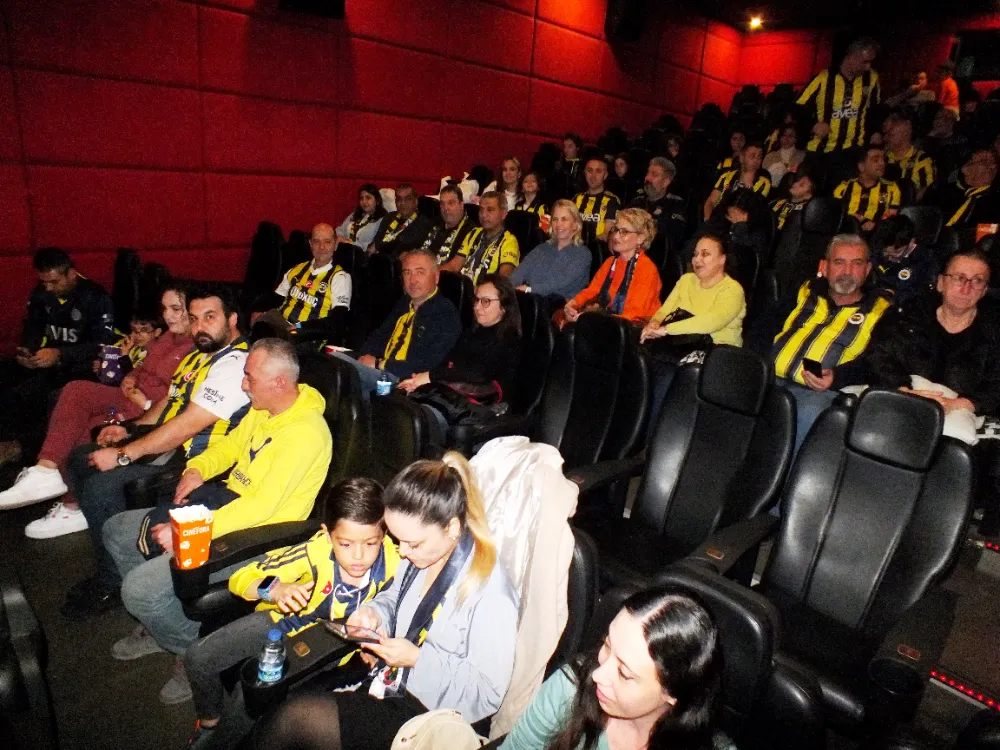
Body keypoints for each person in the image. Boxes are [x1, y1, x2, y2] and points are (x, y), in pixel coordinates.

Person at [103, 337, 333, 704]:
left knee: (138, 591)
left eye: (250, 377)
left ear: (278, 382)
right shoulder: (264, 408)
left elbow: (261, 509)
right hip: (226, 506)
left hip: (259, 537)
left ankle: (192, 652)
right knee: (117, 531)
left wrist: (189, 532)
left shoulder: (306, 434)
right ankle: (163, 624)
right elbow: (229, 446)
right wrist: (198, 468)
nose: (243, 383)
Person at [267, 452, 518, 750]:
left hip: (434, 711)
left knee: (295, 720)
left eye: (412, 543)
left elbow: (487, 693)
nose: (402, 552)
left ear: (451, 528)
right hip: (395, 680)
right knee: (291, 713)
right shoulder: (422, 554)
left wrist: (417, 659)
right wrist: (373, 613)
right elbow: (393, 597)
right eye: (398, 541)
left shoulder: (490, 591)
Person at [59, 285, 251, 620]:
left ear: (232, 319)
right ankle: (110, 561)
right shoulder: (198, 355)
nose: (200, 327)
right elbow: (167, 405)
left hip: (199, 465)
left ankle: (112, 582)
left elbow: (187, 424)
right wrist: (130, 429)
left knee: (102, 486)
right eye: (194, 319)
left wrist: (125, 454)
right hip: (172, 448)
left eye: (210, 317)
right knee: (81, 458)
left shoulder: (236, 365)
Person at [182, 477, 401, 747]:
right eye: (345, 544)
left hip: (326, 644)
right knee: (198, 657)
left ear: (384, 535)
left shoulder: (396, 563)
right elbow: (242, 578)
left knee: (248, 694)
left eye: (370, 543)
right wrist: (274, 589)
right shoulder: (314, 551)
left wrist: (377, 644)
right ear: (327, 534)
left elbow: (408, 614)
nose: (358, 556)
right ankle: (209, 723)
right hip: (283, 622)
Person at [1, 285, 193, 538]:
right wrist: (131, 377)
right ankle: (45, 470)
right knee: (75, 389)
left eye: (176, 309)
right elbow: (144, 365)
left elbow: (177, 398)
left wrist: (145, 405)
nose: (168, 315)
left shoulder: (197, 346)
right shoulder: (169, 336)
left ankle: (74, 506)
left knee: (88, 430)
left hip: (145, 409)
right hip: (128, 395)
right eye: (165, 308)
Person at [865, 248, 1000, 539]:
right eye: (959, 278)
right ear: (940, 282)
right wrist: (907, 391)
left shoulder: (994, 332)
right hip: (907, 397)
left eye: (977, 281)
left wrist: (961, 403)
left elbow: (996, 386)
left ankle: (927, 535)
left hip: (963, 413)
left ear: (985, 290)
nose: (966, 287)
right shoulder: (909, 314)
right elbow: (878, 355)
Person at [502, 587, 721, 750]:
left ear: (672, 693)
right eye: (607, 645)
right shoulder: (567, 690)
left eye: (624, 674)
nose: (598, 674)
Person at [748, 235, 892, 451]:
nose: (847, 271)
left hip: (817, 392)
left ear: (867, 269)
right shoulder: (806, 290)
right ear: (824, 267)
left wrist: (837, 377)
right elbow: (763, 327)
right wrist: (758, 365)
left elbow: (877, 362)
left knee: (807, 415)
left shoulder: (881, 310)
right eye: (839, 262)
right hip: (768, 376)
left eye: (857, 263)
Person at [0, 247, 116, 466]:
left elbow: (103, 343)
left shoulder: (95, 297)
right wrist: (27, 351)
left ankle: (25, 450)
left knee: (47, 394)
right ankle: (6, 442)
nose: (48, 288)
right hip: (46, 362)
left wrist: (61, 354)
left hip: (82, 367)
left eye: (54, 282)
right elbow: (33, 328)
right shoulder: (40, 294)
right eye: (44, 282)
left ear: (71, 274)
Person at [342, 247, 462, 397]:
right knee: (331, 360)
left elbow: (425, 366)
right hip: (379, 371)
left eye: (420, 272)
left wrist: (379, 363)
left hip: (403, 382)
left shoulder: (445, 315)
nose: (412, 280)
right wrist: (364, 357)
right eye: (407, 273)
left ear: (436, 277)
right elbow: (378, 336)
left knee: (341, 369)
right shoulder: (404, 303)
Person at [252, 222, 351, 345]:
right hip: (279, 323)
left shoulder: (340, 278)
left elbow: (338, 321)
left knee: (268, 343)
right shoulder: (297, 269)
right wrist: (259, 311)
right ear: (310, 244)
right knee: (258, 325)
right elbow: (276, 298)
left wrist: (301, 327)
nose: (321, 247)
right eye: (316, 242)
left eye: (327, 242)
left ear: (335, 245)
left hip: (305, 334)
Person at [641, 234, 746, 348]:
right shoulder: (686, 280)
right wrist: (654, 324)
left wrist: (667, 330)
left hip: (718, 350)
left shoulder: (733, 289)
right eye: (695, 254)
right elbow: (665, 311)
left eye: (705, 254)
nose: (697, 259)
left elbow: (712, 322)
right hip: (681, 344)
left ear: (722, 259)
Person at [564, 208, 662, 326]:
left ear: (640, 238)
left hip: (635, 327)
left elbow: (634, 313)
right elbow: (592, 290)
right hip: (610, 321)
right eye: (616, 229)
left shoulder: (647, 269)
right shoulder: (610, 262)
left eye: (624, 232)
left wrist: (593, 318)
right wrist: (574, 303)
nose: (616, 236)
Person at [797, 37, 881, 155]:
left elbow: (875, 109)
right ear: (851, 56)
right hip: (822, 150)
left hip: (853, 149)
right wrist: (813, 125)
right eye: (865, 62)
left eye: (871, 62)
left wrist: (875, 131)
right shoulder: (824, 78)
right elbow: (797, 107)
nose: (868, 67)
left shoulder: (871, 78)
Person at [510, 199, 592, 304]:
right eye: (555, 219)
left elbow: (560, 283)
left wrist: (529, 290)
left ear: (575, 224)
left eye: (564, 219)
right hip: (531, 302)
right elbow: (519, 273)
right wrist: (507, 288)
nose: (558, 224)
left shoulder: (583, 254)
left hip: (561, 307)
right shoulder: (541, 249)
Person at [443, 191, 520, 284]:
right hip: (463, 287)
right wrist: (434, 273)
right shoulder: (473, 233)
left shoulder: (509, 242)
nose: (483, 215)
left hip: (486, 290)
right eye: (481, 210)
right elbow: (454, 265)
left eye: (490, 210)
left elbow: (504, 278)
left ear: (503, 214)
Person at [871, 215, 938, 306]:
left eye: (896, 252)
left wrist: (895, 296)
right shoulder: (878, 250)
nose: (889, 258)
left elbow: (922, 294)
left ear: (911, 242)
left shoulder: (926, 262)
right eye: (886, 252)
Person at [833, 145, 901, 235]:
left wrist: (876, 224)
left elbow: (892, 215)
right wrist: (858, 220)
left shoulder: (892, 188)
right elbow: (836, 215)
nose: (882, 163)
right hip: (847, 234)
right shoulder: (844, 188)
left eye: (883, 159)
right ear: (861, 166)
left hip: (878, 235)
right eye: (876, 160)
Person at [923, 149, 1000, 228]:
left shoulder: (995, 200)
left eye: (993, 162)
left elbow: (991, 231)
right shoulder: (942, 192)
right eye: (985, 161)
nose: (993, 166)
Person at [629, 157, 687, 249]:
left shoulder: (675, 204)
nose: (648, 178)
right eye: (648, 173)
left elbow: (670, 238)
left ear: (666, 182)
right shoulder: (637, 201)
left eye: (654, 174)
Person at [704, 143, 771, 221]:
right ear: (741, 158)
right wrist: (708, 220)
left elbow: (754, 210)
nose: (756, 160)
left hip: (740, 222)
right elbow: (711, 202)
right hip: (719, 218)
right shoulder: (726, 176)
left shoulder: (764, 182)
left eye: (759, 157)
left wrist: (750, 176)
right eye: (752, 156)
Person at [368, 184, 432, 256]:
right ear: (395, 201)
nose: (402, 203)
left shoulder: (422, 223)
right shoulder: (389, 217)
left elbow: (403, 249)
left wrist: (378, 247)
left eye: (408, 199)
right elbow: (376, 240)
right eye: (399, 199)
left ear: (416, 201)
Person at [884, 112, 936, 199]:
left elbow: (926, 193)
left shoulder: (922, 160)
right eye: (885, 133)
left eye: (890, 134)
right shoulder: (883, 157)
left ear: (906, 132)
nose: (885, 138)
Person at [421, 184, 476, 266]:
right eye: (442, 203)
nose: (446, 208)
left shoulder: (470, 231)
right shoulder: (434, 223)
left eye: (451, 203)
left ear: (461, 205)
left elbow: (455, 267)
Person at [574, 158, 620, 243]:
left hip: (599, 248)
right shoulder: (576, 198)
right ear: (585, 173)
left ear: (605, 175)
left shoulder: (612, 201)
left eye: (598, 171)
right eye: (589, 171)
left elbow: (608, 234)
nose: (593, 176)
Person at [335, 183, 386, 248]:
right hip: (344, 248)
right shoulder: (354, 215)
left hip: (362, 253)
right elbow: (340, 229)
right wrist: (340, 237)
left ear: (377, 200)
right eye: (361, 198)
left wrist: (350, 243)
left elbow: (375, 245)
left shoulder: (382, 220)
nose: (364, 202)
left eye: (368, 198)